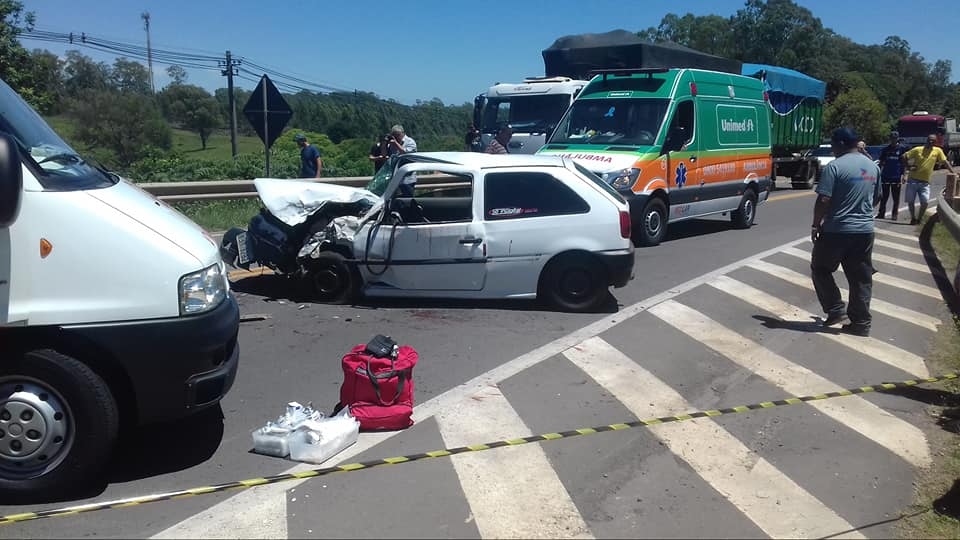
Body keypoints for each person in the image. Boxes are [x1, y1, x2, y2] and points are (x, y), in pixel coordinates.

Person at [810, 127, 882, 337]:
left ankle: (835, 309)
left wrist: (816, 224)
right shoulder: (872, 167)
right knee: (861, 277)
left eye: (833, 143)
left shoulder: (835, 167)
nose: (831, 148)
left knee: (821, 268)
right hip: (865, 231)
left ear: (841, 143)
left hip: (837, 230)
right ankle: (861, 324)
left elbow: (824, 199)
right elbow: (877, 197)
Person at [901, 134, 957, 225]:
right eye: (929, 140)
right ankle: (913, 218)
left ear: (935, 142)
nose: (930, 142)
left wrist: (953, 172)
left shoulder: (937, 151)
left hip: (925, 182)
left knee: (925, 202)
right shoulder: (918, 149)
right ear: (926, 140)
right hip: (913, 180)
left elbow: (945, 162)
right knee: (910, 201)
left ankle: (919, 218)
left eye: (933, 141)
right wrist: (908, 167)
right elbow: (904, 156)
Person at [876, 131, 909, 220]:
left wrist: (904, 175)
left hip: (896, 176)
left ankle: (894, 214)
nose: (893, 140)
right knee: (883, 196)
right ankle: (881, 213)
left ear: (897, 139)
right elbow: (881, 163)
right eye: (891, 138)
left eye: (895, 138)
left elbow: (905, 163)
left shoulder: (902, 149)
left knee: (896, 197)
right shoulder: (886, 150)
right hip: (885, 176)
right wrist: (878, 174)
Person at [384, 124, 417, 196]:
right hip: (395, 179)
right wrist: (385, 144)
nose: (396, 137)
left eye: (397, 135)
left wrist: (395, 144)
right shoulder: (392, 144)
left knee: (407, 201)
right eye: (394, 135)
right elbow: (385, 155)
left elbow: (405, 152)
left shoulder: (410, 142)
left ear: (403, 133)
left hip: (407, 179)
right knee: (396, 204)